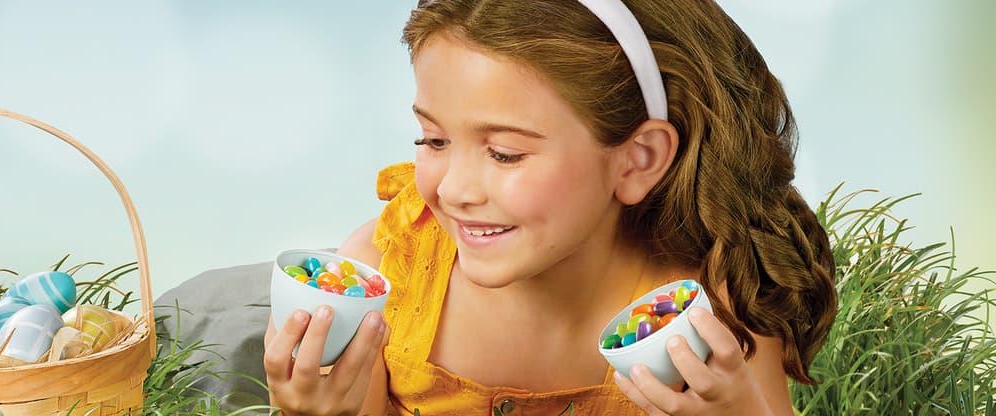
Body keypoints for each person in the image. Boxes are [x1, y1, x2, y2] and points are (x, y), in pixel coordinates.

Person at [264, 0, 837, 414]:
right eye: (433, 141)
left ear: (637, 159)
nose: (455, 190)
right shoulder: (384, 277)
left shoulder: (714, 310)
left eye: (506, 154)